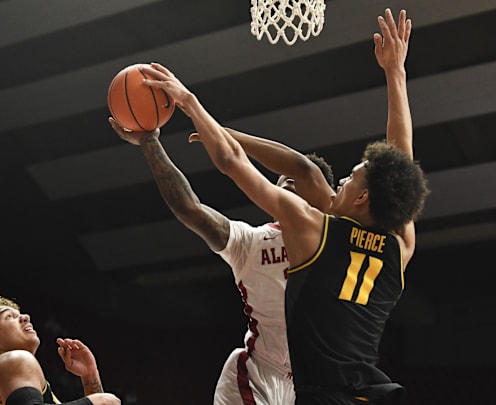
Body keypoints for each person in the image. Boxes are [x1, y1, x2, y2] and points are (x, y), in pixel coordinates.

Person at [135, 8, 429, 405]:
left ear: (362, 197)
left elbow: (232, 163)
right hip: (369, 394)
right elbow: (400, 159)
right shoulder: (399, 245)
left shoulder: (314, 230)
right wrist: (396, 74)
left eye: (349, 179)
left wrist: (189, 101)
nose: (340, 182)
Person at [108, 116, 333, 405]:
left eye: (295, 181)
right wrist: (150, 143)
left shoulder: (337, 237)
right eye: (280, 181)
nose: (286, 183)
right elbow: (190, 209)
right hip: (257, 374)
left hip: (307, 383)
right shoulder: (251, 241)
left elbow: (306, 170)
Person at [0, 287, 121, 405]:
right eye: (9, 316)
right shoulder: (12, 359)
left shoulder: (20, 374)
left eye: (20, 313)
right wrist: (92, 402)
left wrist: (90, 377)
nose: (25, 317)